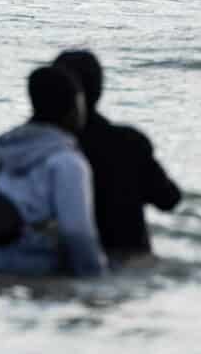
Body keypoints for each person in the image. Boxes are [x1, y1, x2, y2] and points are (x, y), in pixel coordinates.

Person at [0, 64, 106, 279]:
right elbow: (77, 233)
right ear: (75, 106)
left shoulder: (1, 147)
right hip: (27, 265)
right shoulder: (68, 162)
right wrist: (97, 279)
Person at [52, 50, 184, 255]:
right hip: (130, 262)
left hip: (69, 262)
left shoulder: (45, 149)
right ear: (100, 89)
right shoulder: (130, 142)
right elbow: (169, 199)